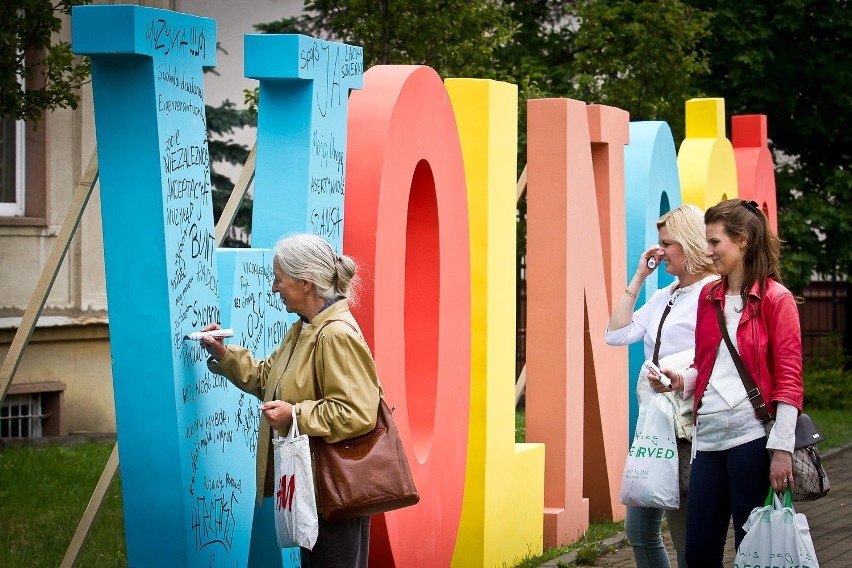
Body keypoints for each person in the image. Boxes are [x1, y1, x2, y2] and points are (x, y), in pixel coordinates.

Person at [201, 233, 382, 568]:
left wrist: (294, 415)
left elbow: (358, 412)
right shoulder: (303, 329)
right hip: (312, 488)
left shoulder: (335, 334)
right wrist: (223, 353)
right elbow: (266, 379)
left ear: (305, 283)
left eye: (278, 280)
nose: (273, 288)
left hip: (335, 488)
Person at [657, 199, 803, 567]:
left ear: (743, 241)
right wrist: (681, 381)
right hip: (707, 443)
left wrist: (781, 448)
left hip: (751, 443)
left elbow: (789, 379)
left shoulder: (776, 299)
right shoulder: (710, 297)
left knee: (751, 552)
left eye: (714, 242)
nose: (708, 252)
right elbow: (704, 363)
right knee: (700, 554)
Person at [606, 204, 717, 568]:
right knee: (639, 532)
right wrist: (639, 277)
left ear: (688, 243)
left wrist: (680, 378)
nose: (660, 251)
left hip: (686, 428)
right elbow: (616, 333)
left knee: (686, 540)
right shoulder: (664, 295)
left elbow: (715, 359)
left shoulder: (711, 294)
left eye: (667, 243)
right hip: (653, 426)